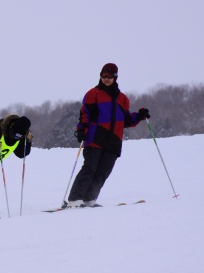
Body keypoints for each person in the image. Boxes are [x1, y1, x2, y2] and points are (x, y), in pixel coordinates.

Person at [65, 63, 151, 208]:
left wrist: (140, 116)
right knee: (90, 168)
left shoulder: (123, 99)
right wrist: (81, 129)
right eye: (103, 75)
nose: (105, 79)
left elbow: (126, 120)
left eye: (109, 76)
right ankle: (75, 199)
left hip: (114, 140)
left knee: (103, 171)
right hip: (96, 137)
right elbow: (84, 114)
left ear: (115, 77)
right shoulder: (93, 94)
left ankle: (89, 199)